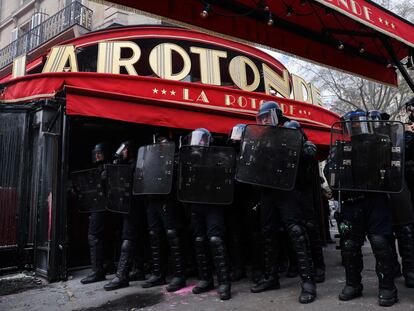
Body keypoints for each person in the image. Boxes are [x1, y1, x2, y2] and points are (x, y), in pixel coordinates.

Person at [243, 102, 317, 304]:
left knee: (296, 232)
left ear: (275, 115)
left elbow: (309, 150)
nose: (264, 120)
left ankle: (308, 282)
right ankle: (271, 277)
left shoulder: (290, 129)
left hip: (287, 191)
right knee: (268, 234)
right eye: (261, 118)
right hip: (268, 192)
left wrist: (306, 147)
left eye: (267, 116)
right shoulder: (262, 137)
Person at [326, 110, 398, 306]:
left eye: (359, 123)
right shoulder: (341, 147)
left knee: (380, 243)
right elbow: (330, 172)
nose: (356, 127)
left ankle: (387, 287)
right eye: (352, 124)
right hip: (352, 201)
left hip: (376, 200)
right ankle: (353, 284)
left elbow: (393, 168)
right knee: (349, 246)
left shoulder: (381, 143)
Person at [181, 128, 232, 300]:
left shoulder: (218, 156)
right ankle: (205, 279)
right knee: (199, 240)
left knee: (215, 240)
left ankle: (224, 282)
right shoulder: (190, 159)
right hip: (196, 204)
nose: (199, 142)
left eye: (202, 139)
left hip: (213, 204)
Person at [140, 132, 187, 292]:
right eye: (158, 141)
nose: (160, 144)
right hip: (153, 199)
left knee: (172, 236)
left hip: (167, 200)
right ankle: (158, 273)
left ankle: (179, 275)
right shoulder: (151, 158)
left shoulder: (174, 158)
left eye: (163, 141)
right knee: (154, 235)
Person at [104, 141, 146, 291]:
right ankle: (139, 269)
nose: (122, 152)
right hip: (129, 207)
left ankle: (122, 275)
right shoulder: (127, 164)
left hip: (134, 207)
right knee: (136, 238)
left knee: (128, 238)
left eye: (125, 150)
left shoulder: (135, 165)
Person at [79, 142, 110, 284]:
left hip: (103, 207)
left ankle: (97, 271)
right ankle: (101, 268)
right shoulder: (97, 169)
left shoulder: (108, 168)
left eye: (100, 152)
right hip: (97, 206)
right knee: (98, 237)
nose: (97, 155)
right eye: (96, 153)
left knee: (94, 236)